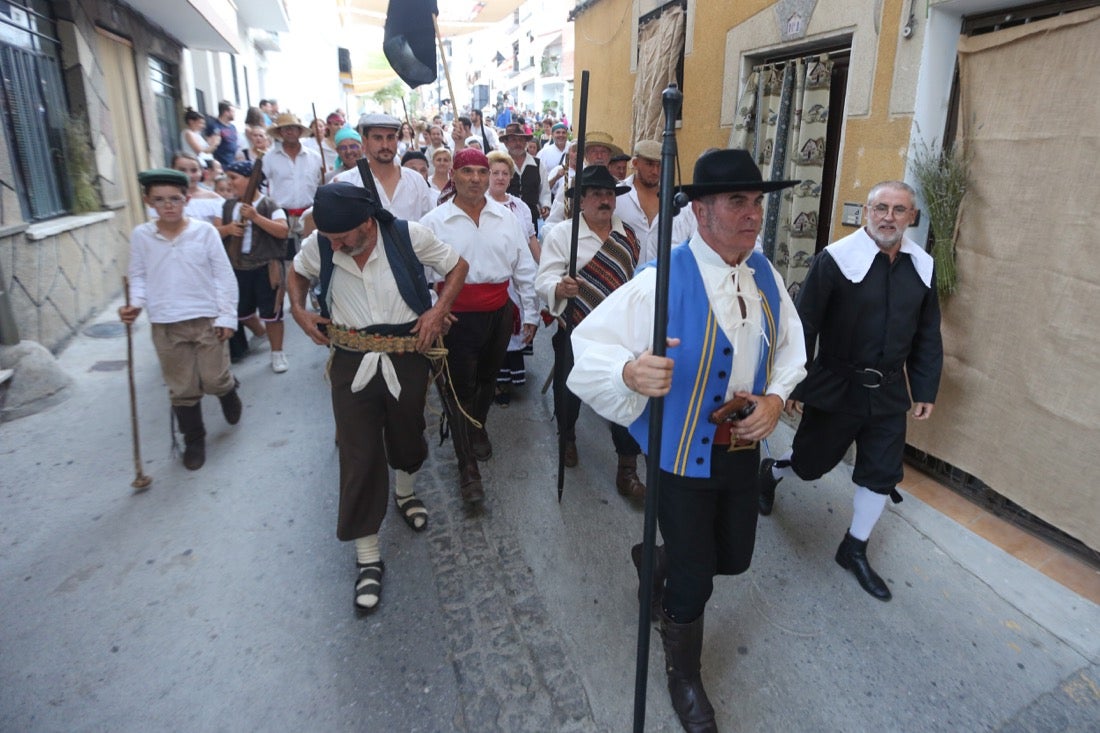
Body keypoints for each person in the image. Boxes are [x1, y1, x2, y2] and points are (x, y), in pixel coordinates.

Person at [567, 149, 807, 732]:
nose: (752, 215)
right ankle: (684, 675)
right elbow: (588, 345)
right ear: (700, 211)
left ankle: (654, 559)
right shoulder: (660, 280)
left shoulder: (766, 274)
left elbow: (791, 348)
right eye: (736, 202)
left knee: (736, 556)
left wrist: (775, 399)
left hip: (742, 448)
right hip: (679, 455)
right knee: (697, 577)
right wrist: (629, 372)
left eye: (756, 202)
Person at [287, 182, 469, 613]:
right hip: (350, 358)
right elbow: (297, 272)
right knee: (358, 454)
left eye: (342, 238)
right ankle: (368, 556)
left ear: (367, 223)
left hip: (407, 352)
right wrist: (298, 309)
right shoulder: (322, 244)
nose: (334, 246)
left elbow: (457, 266)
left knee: (406, 436)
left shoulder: (408, 236)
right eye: (328, 240)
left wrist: (438, 309)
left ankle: (405, 492)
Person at [758, 180, 943, 602]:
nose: (888, 217)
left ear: (911, 217)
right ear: (866, 213)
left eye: (899, 210)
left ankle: (853, 548)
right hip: (837, 385)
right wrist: (792, 384)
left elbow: (928, 335)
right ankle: (770, 473)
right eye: (881, 208)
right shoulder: (836, 260)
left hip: (890, 392)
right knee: (810, 464)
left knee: (881, 473)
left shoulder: (922, 266)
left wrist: (925, 388)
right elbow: (804, 326)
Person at [419, 148, 538, 505]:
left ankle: (477, 425)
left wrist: (530, 313)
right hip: (454, 318)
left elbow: (524, 270)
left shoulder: (506, 218)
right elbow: (419, 276)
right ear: (453, 176)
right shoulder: (433, 222)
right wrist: (434, 309)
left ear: (490, 177)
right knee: (457, 391)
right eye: (467, 171)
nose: (475, 178)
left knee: (488, 380)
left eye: (481, 172)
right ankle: (467, 467)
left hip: (499, 313)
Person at [537, 165, 648, 499]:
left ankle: (627, 468)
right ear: (581, 200)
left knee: (627, 392)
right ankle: (567, 435)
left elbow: (634, 282)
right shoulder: (562, 235)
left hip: (620, 333)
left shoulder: (628, 236)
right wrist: (560, 286)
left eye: (609, 194)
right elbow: (542, 280)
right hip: (575, 326)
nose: (605, 200)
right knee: (569, 388)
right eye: (597, 194)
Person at [120, 168, 241, 471]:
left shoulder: (205, 232)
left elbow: (223, 276)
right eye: (160, 200)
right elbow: (138, 275)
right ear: (149, 201)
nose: (168, 205)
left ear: (187, 199)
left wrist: (226, 316)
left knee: (213, 378)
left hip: (206, 319)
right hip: (166, 323)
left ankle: (227, 391)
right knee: (182, 387)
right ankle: (194, 439)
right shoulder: (142, 236)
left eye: (175, 199)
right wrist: (135, 304)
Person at [215, 160, 291, 372]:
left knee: (273, 313)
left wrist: (256, 217)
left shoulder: (269, 205)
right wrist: (229, 229)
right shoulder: (228, 206)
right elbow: (214, 234)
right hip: (237, 268)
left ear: (251, 180)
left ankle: (277, 353)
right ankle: (260, 332)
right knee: (241, 311)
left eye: (233, 178)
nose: (228, 182)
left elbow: (283, 231)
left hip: (266, 267)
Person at [486, 150, 541, 406]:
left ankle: (506, 380)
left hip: (518, 276)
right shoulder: (480, 204)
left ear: (511, 177)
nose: (499, 177)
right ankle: (495, 382)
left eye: (504, 173)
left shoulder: (519, 206)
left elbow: (531, 239)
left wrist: (543, 267)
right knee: (493, 331)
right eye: (495, 172)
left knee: (514, 326)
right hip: (491, 276)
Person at [334, 113, 434, 222]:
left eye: (390, 137)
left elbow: (428, 225)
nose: (385, 145)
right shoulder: (346, 182)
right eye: (378, 138)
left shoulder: (416, 181)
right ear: (365, 142)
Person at [616, 140, 698, 263]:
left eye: (659, 165)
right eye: (649, 164)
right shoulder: (616, 195)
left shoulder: (679, 202)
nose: (655, 171)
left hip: (667, 279)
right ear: (635, 163)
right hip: (624, 279)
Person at [544, 131, 624, 227]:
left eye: (603, 152)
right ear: (586, 155)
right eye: (594, 151)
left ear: (610, 156)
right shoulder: (570, 185)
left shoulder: (619, 186)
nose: (599, 156)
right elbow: (552, 223)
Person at [500, 123, 550, 228]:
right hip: (505, 219)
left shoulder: (538, 164)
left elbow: (544, 190)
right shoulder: (500, 164)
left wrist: (545, 206)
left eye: (521, 140)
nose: (518, 143)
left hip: (531, 219)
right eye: (514, 140)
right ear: (506, 143)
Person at [203, 100, 239, 168]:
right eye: (233, 111)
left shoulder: (233, 127)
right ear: (226, 112)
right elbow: (209, 147)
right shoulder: (214, 126)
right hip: (221, 165)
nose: (234, 114)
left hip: (232, 163)